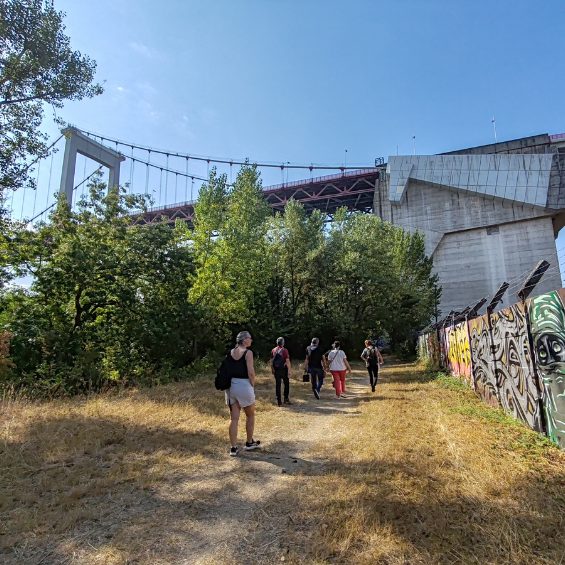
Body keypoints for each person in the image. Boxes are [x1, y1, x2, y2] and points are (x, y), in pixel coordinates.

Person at [225, 331, 260, 456]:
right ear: (245, 340)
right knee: (250, 415)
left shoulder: (230, 352)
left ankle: (233, 447)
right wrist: (252, 382)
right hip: (244, 385)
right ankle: (249, 442)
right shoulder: (247, 353)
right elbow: (250, 371)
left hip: (231, 387)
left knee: (234, 418)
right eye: (250, 338)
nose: (251, 340)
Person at [270, 337, 292, 407]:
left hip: (276, 369)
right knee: (286, 384)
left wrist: (272, 369)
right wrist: (289, 371)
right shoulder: (285, 350)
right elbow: (287, 361)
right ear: (283, 343)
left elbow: (271, 361)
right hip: (283, 369)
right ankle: (286, 398)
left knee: (278, 385)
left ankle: (279, 401)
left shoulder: (273, 350)